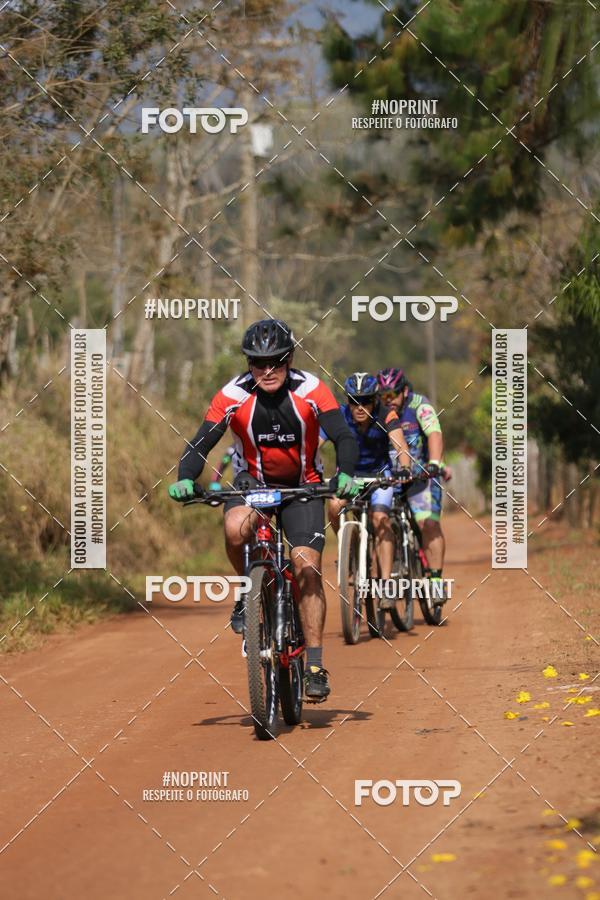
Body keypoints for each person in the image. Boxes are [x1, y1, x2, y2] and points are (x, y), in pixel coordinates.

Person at [168, 318, 360, 701]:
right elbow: (201, 442)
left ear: (289, 359)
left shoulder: (311, 390)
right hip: (253, 484)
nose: (267, 370)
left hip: (305, 484)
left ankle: (316, 665)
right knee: (235, 528)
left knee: (306, 566)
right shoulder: (231, 395)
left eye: (276, 361)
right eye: (258, 362)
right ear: (248, 363)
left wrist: (347, 474)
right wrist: (186, 476)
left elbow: (342, 435)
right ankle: (248, 590)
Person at [324, 372, 411, 609]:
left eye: (365, 401)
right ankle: (349, 553)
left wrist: (404, 468)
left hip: (379, 476)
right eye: (354, 401)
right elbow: (313, 443)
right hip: (349, 477)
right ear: (348, 402)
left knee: (380, 517)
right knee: (333, 506)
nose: (359, 407)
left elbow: (400, 445)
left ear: (375, 400)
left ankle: (386, 587)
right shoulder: (339, 416)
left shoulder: (386, 414)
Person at [377, 367, 449, 603]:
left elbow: (435, 434)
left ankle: (436, 580)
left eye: (393, 395)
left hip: (421, 476)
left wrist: (435, 463)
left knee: (426, 522)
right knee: (379, 520)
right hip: (391, 477)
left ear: (404, 391)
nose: (389, 401)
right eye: (384, 396)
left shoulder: (420, 405)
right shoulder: (376, 411)